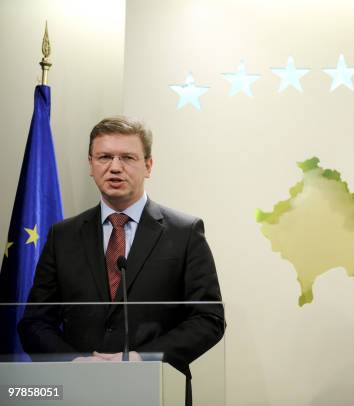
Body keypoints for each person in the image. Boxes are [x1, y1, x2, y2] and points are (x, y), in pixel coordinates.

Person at [18, 116, 224, 405]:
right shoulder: (63, 235)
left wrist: (143, 359)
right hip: (78, 391)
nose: (115, 167)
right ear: (91, 165)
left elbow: (208, 319)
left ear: (148, 165)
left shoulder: (185, 232)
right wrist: (74, 362)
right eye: (104, 157)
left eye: (127, 157)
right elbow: (34, 323)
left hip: (157, 389)